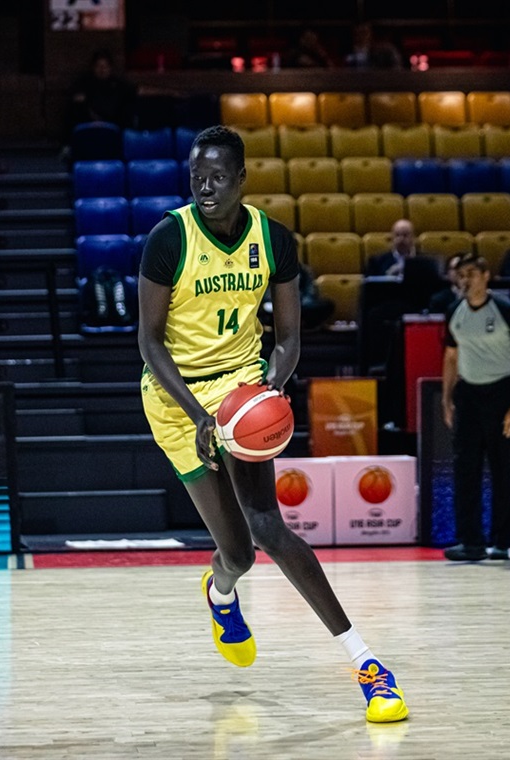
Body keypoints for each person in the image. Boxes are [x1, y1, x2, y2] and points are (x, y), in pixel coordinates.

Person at [137, 125, 407, 723]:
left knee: (268, 526)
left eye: (216, 178)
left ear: (240, 180)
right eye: (195, 177)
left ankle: (368, 665)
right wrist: (200, 417)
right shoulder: (168, 239)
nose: (204, 187)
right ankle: (221, 593)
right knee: (235, 553)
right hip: (176, 399)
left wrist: (269, 389)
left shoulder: (273, 240)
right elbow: (149, 344)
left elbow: (288, 340)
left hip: (240, 386)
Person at [441, 255, 510, 562]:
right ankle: (471, 542)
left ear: (485, 276)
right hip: (468, 394)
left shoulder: (507, 310)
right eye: (461, 275)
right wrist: (446, 398)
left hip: (501, 393)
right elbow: (451, 357)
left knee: (501, 471)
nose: (465, 280)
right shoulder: (454, 311)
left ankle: (501, 542)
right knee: (465, 471)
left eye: (471, 273)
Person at [67, 48, 137, 132]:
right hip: (89, 125)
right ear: (93, 67)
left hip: (113, 125)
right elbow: (75, 96)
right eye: (98, 66)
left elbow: (133, 91)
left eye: (105, 66)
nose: (102, 70)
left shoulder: (118, 84)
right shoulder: (84, 82)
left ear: (110, 68)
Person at [366, 218, 440, 279]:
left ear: (413, 238)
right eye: (397, 235)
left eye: (405, 235)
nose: (401, 239)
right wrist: (388, 278)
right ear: (392, 238)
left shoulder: (426, 261)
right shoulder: (376, 262)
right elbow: (370, 290)